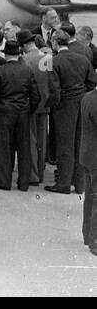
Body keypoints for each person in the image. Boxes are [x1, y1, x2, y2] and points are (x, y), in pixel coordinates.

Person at [48, 26, 97, 194]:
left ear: (55, 42)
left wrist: (54, 104)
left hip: (64, 107)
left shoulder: (53, 62)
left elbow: (54, 90)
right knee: (79, 142)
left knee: (65, 145)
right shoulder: (82, 59)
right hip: (80, 103)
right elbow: (92, 82)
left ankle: (63, 183)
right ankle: (79, 184)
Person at [0, 39, 40, 191]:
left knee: (4, 148)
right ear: (19, 53)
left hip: (3, 113)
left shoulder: (0, 71)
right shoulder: (27, 70)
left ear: (6, 53)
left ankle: (4, 181)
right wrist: (29, 110)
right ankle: (24, 183)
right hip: (23, 112)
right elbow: (36, 95)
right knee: (24, 148)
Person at [19, 28, 58, 187]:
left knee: (30, 140)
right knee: (42, 140)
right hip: (45, 104)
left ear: (24, 45)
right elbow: (51, 82)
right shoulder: (47, 58)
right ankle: (40, 173)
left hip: (29, 104)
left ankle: (33, 175)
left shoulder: (24, 59)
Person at [80, 88, 97, 255]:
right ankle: (95, 240)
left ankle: (87, 234)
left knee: (90, 196)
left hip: (87, 154)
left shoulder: (87, 98)